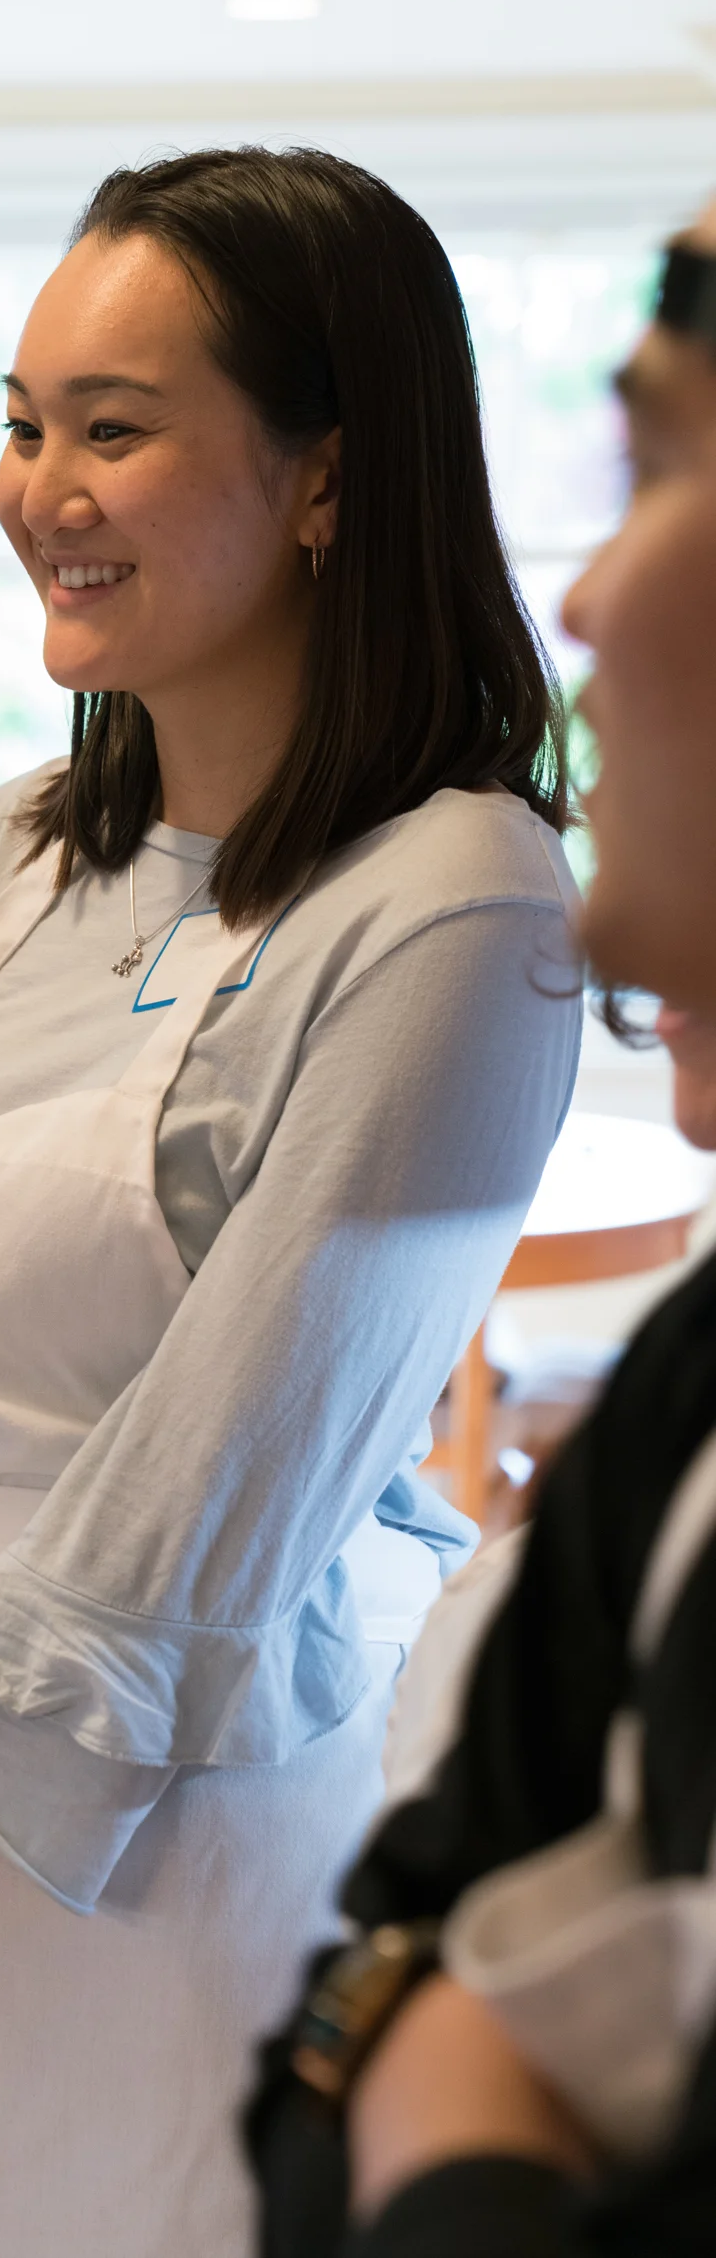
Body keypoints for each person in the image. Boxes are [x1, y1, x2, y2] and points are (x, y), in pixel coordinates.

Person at [0, 147, 583, 2257]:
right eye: (23, 422)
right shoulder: (10, 846)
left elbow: (162, 1567)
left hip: (165, 1884)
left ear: (328, 474)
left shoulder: (456, 906)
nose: (44, 483)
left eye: (117, 428)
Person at [247, 208, 716, 2256]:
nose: (596, 585)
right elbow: (362, 1985)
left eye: (674, 468)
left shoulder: (457, 888)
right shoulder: (696, 1372)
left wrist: (454, 2084)